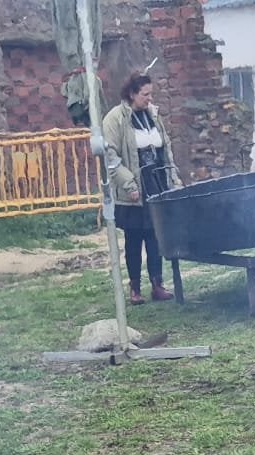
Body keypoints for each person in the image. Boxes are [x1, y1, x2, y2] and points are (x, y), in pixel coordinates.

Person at [102, 73, 182, 302]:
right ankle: (135, 289)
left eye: (151, 93)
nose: (150, 98)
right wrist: (128, 184)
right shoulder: (115, 119)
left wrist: (173, 179)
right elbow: (110, 156)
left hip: (155, 184)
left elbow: (166, 149)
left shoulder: (152, 116)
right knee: (134, 239)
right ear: (132, 94)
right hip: (134, 188)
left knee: (155, 236)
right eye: (145, 94)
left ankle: (158, 285)